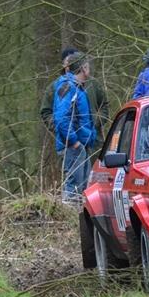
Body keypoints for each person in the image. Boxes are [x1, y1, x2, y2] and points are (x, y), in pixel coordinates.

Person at [40, 47, 109, 155]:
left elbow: (104, 105)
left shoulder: (93, 84)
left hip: (95, 142)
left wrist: (94, 122)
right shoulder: (56, 87)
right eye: (69, 61)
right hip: (71, 146)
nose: (73, 64)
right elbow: (46, 113)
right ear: (64, 64)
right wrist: (66, 132)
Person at [52, 52, 97, 204]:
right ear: (83, 68)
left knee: (83, 189)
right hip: (73, 147)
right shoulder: (67, 87)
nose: (89, 70)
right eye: (88, 67)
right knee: (73, 189)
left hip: (81, 146)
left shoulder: (78, 88)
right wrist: (74, 142)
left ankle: (80, 223)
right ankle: (70, 223)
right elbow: (61, 119)